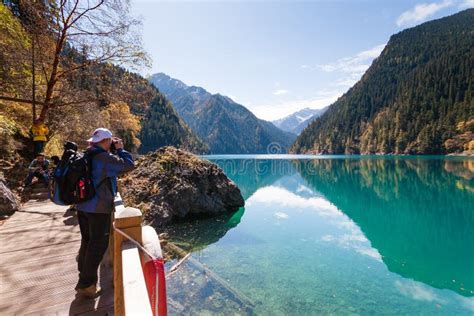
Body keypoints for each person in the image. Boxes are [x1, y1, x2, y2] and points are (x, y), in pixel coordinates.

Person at [75, 128, 135, 298]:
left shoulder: (87, 154)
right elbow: (129, 165)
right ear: (107, 141)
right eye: (111, 141)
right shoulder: (104, 157)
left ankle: (85, 279)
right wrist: (121, 149)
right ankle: (86, 284)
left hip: (82, 206)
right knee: (98, 245)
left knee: (87, 242)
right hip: (98, 208)